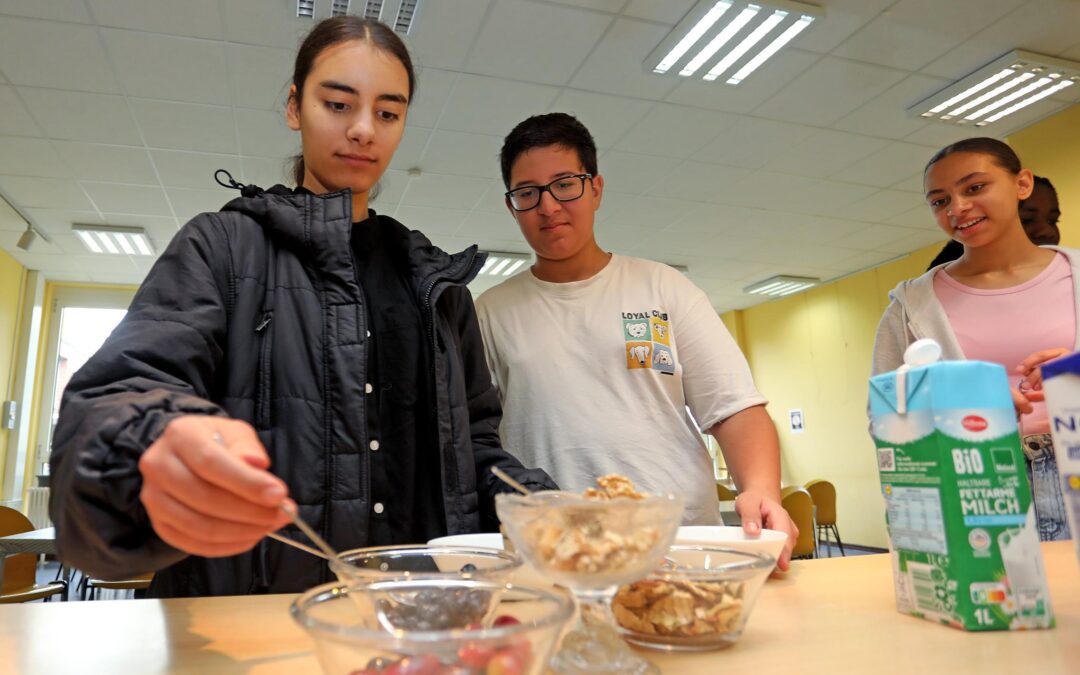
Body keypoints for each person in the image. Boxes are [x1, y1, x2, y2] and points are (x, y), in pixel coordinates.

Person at [48, 16, 556, 598]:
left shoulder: (438, 287)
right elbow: (114, 401)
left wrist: (551, 508)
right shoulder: (222, 248)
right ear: (295, 107)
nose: (364, 130)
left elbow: (477, 451)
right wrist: (152, 448)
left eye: (388, 113)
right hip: (250, 622)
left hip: (421, 622)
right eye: (338, 104)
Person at [474, 113, 798, 569]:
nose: (548, 206)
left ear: (596, 188)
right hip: (557, 550)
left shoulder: (663, 288)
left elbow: (734, 408)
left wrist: (762, 492)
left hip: (677, 541)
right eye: (528, 193)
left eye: (565, 184)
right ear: (512, 206)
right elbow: (474, 438)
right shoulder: (490, 311)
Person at [872, 138, 1076, 541]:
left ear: (1022, 184)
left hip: (1074, 469)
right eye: (939, 200)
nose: (957, 208)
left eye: (974, 188)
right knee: (996, 602)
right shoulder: (910, 305)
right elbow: (885, 420)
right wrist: (961, 410)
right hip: (977, 487)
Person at [925, 175, 1062, 269]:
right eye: (1026, 220)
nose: (1046, 231)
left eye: (1052, 221)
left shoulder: (1069, 273)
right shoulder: (936, 288)